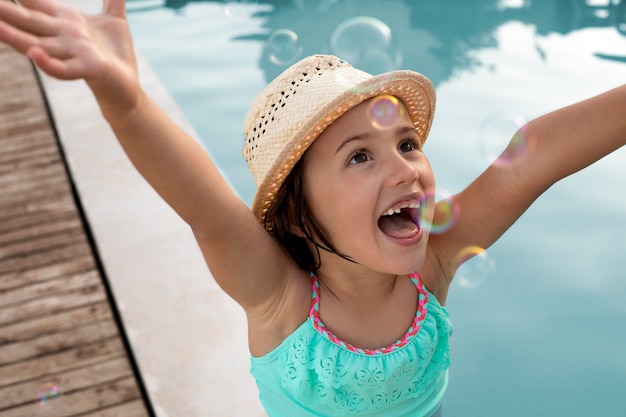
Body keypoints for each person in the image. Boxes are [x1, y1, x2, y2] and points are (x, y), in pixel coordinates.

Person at [1, 1, 624, 416]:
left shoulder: (432, 260)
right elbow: (204, 206)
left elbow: (534, 157)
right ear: (298, 216)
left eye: (406, 144)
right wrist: (125, 99)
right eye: (360, 157)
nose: (406, 166)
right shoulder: (281, 299)